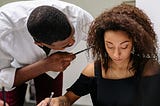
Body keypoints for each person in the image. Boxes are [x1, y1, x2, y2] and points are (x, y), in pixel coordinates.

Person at [37, 4, 160, 106]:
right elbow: (68, 99)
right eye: (109, 46)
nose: (116, 54)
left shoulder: (149, 69)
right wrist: (56, 101)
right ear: (101, 43)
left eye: (124, 46)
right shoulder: (93, 70)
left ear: (135, 42)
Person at [0, 0, 94, 106]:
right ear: (39, 43)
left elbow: (102, 39)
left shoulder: (79, 17)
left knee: (52, 102)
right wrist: (45, 65)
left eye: (73, 35)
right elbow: (2, 77)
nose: (73, 42)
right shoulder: (3, 31)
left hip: (54, 65)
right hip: (14, 67)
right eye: (66, 45)